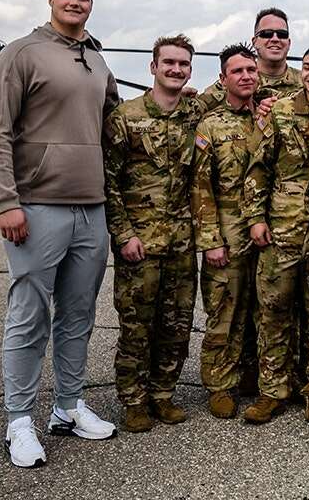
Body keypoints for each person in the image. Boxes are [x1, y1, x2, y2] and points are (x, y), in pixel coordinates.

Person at [0, 0, 119, 468]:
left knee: (79, 315)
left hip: (92, 207)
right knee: (29, 314)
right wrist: (7, 201)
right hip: (38, 206)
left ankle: (68, 406)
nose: (75, 2)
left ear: (91, 3)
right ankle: (19, 420)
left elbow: (114, 125)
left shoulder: (97, 60)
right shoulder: (21, 54)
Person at [242, 44, 309, 424]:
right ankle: (272, 391)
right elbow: (257, 167)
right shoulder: (280, 111)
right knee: (273, 311)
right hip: (282, 228)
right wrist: (255, 217)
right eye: (307, 67)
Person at [104, 35, 200, 433]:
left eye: (183, 64)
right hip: (139, 244)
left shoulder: (194, 114)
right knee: (136, 326)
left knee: (177, 325)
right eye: (169, 63)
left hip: (181, 242)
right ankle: (134, 400)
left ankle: (163, 395)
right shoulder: (125, 117)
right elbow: (107, 182)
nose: (176, 69)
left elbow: (236, 93)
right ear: (153, 67)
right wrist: (123, 235)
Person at [192, 43, 264, 419]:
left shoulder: (269, 117)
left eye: (251, 70)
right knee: (224, 311)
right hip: (228, 233)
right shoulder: (212, 125)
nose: (246, 76)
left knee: (261, 309)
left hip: (264, 232)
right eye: (237, 71)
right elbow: (201, 187)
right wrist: (211, 240)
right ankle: (219, 384)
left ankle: (253, 374)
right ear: (223, 79)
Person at [197, 7, 303, 111]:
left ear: (289, 43)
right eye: (267, 34)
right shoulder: (231, 82)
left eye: (282, 34)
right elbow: (197, 108)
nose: (275, 39)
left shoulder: (306, 82)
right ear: (254, 42)